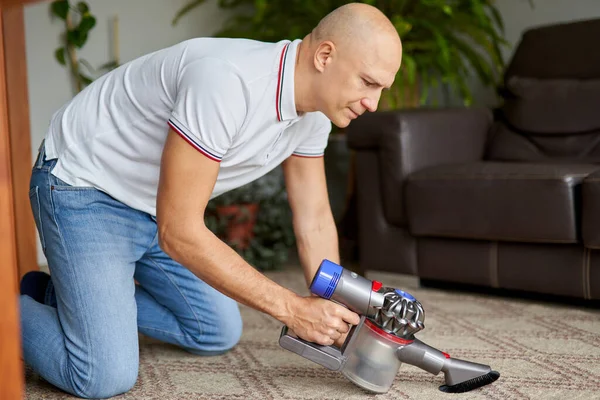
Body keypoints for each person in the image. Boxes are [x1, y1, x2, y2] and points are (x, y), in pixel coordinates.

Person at [19, 2, 402, 398]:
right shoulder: (228, 82)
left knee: (216, 330)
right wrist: (292, 309)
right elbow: (179, 231)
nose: (373, 103)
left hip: (155, 205)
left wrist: (338, 317)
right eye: (367, 82)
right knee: (102, 376)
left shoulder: (316, 112)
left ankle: (62, 295)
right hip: (85, 187)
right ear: (325, 55)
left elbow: (315, 219)